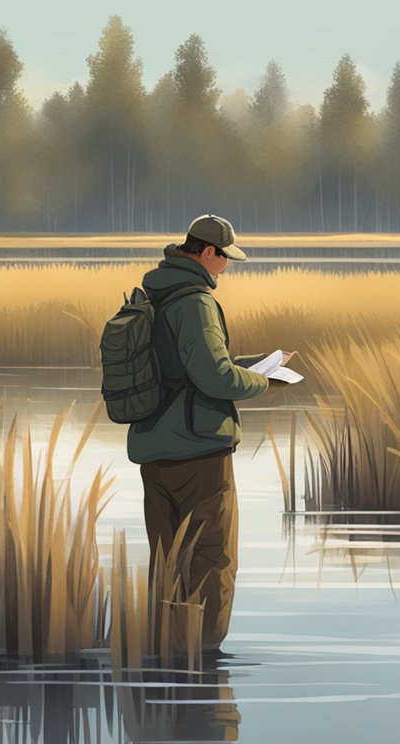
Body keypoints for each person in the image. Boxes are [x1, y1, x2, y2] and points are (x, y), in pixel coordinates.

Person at [127, 213, 276, 652]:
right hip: (199, 456)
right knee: (212, 560)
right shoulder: (196, 302)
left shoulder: (154, 293)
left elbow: (182, 367)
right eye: (225, 257)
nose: (226, 266)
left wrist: (240, 364)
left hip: (155, 453)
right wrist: (266, 379)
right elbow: (214, 379)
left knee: (168, 560)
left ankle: (167, 660)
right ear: (208, 252)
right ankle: (207, 671)